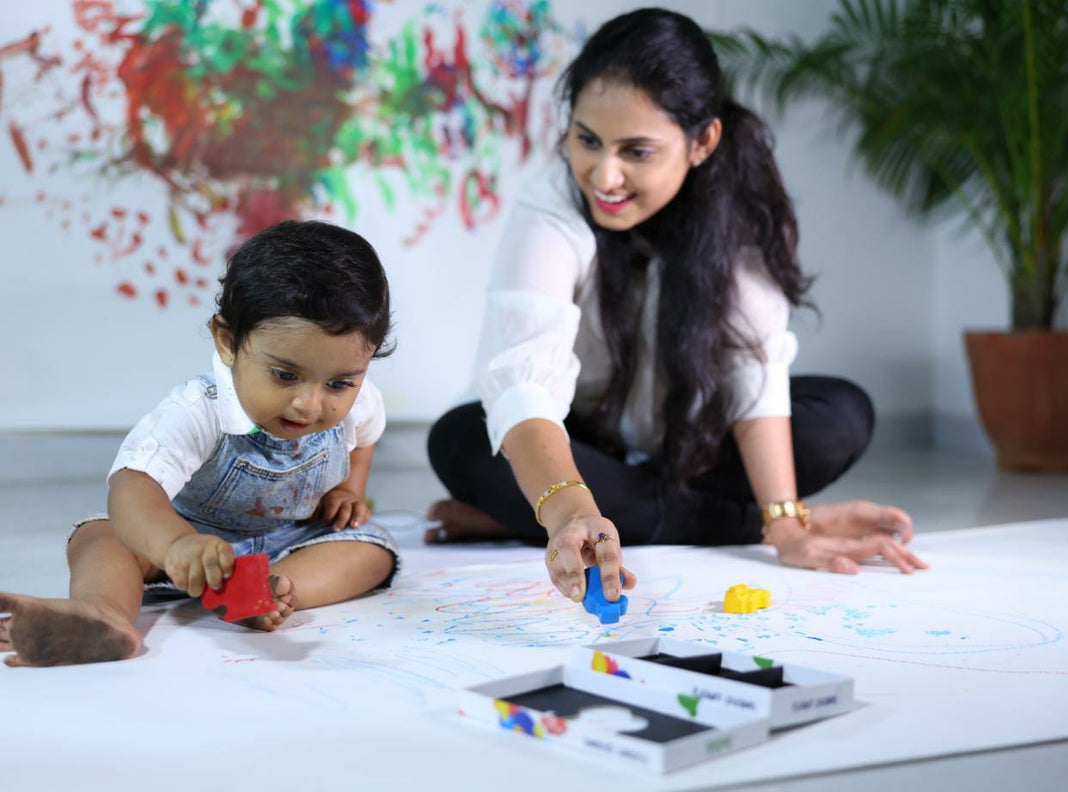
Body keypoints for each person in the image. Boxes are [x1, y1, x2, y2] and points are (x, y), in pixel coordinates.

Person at [426, 8, 928, 607]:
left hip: (689, 445)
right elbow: (525, 386)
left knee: (841, 414)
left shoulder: (737, 208)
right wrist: (570, 511)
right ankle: (662, 517)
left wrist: (787, 526)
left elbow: (754, 372)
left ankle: (548, 516)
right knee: (463, 438)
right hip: (583, 446)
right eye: (587, 140)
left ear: (702, 142)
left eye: (637, 151)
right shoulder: (549, 207)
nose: (603, 175)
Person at [0, 220, 399, 667]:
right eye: (285, 375)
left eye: (339, 383)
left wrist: (348, 491)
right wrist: (174, 545)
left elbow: (364, 440)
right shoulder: (197, 409)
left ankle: (263, 592)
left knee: (371, 551)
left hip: (290, 541)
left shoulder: (361, 402)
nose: (309, 404)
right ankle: (103, 614)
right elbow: (133, 485)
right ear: (227, 341)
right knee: (101, 536)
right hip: (186, 542)